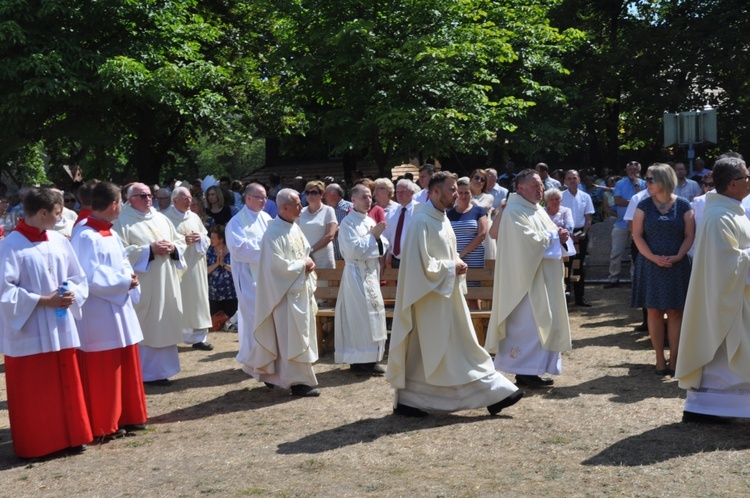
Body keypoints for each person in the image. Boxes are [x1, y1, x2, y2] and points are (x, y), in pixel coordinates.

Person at [385, 171, 523, 417]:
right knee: (452, 350)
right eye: (451, 190)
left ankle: (410, 399)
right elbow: (419, 266)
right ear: (435, 191)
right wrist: (452, 266)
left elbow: (446, 253)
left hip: (447, 296)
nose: (456, 194)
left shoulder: (442, 218)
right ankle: (493, 393)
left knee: (444, 350)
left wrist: (456, 262)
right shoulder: (421, 221)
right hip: (429, 300)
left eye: (457, 190)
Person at [0, 188, 92, 458]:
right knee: (36, 391)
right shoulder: (9, 246)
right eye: (57, 213)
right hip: (29, 330)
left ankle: (73, 435)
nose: (60, 218)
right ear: (42, 213)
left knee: (66, 383)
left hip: (61, 326)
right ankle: (40, 443)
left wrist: (71, 293)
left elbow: (78, 276)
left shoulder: (59, 240)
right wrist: (43, 300)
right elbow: (4, 292)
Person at [71, 182, 148, 439]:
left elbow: (122, 261)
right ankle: (107, 423)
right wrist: (124, 281)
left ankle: (130, 415)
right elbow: (88, 278)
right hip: (99, 312)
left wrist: (130, 276)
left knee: (125, 362)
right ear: (114, 204)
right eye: (121, 203)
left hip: (120, 307)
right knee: (105, 369)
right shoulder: (84, 235)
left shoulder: (111, 233)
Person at [676, 155, 750, 423]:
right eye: (746, 177)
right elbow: (726, 262)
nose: (749, 181)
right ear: (732, 184)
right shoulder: (719, 216)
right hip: (725, 299)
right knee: (720, 352)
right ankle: (706, 407)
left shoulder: (731, 210)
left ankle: (723, 407)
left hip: (737, 296)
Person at [486, 169, 572, 388]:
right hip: (524, 282)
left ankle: (534, 370)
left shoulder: (537, 209)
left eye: (541, 185)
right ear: (521, 188)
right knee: (529, 325)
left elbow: (547, 234)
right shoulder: (514, 211)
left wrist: (559, 233)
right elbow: (526, 241)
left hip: (542, 277)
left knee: (542, 324)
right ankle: (523, 371)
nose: (540, 189)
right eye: (535, 185)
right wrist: (554, 236)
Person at [246, 189, 320, 397]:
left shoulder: (294, 228)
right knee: (290, 339)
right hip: (284, 295)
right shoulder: (273, 234)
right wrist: (302, 264)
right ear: (284, 207)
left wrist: (308, 261)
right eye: (297, 203)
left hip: (299, 291)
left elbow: (304, 252)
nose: (301, 207)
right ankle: (298, 383)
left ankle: (271, 374)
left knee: (293, 338)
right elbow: (277, 268)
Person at [113, 182, 186, 385]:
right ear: (131, 199)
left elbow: (179, 241)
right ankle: (145, 374)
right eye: (142, 196)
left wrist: (173, 247)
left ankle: (164, 370)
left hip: (166, 279)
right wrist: (149, 250)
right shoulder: (122, 222)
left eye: (149, 195)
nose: (148, 199)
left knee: (165, 320)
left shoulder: (162, 218)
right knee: (147, 323)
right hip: (144, 283)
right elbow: (119, 253)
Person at [631, 163, 694, 376]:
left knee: (676, 312)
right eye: (646, 179)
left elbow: (689, 235)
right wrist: (653, 257)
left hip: (677, 266)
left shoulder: (684, 205)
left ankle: (675, 358)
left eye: (650, 179)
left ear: (664, 180)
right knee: (654, 311)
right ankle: (659, 358)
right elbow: (637, 235)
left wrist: (678, 256)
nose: (646, 183)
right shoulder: (643, 205)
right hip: (651, 265)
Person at [334, 185, 390, 374]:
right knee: (359, 318)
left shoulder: (368, 220)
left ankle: (372, 358)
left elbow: (384, 245)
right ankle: (358, 361)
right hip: (356, 276)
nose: (368, 201)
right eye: (364, 197)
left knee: (374, 315)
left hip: (370, 274)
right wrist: (373, 237)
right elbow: (352, 250)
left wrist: (376, 238)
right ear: (354, 199)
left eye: (370, 197)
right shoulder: (348, 223)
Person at [225, 183, 273, 374]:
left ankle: (264, 356)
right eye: (260, 197)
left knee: (266, 317)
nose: (264, 201)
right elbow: (239, 249)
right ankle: (255, 358)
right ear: (248, 198)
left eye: (265, 197)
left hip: (267, 276)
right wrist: (266, 245)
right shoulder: (236, 222)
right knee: (253, 317)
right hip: (248, 277)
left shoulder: (267, 218)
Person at [164, 187, 214, 351]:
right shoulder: (166, 218)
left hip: (196, 266)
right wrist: (183, 240)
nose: (188, 201)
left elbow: (206, 237)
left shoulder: (194, 217)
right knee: (179, 300)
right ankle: (176, 337)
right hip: (178, 267)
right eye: (184, 198)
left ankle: (199, 337)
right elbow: (164, 240)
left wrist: (200, 239)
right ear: (174, 200)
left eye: (190, 198)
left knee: (198, 301)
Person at [605, 161, 646, 288]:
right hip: (621, 223)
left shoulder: (645, 184)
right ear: (626, 170)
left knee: (636, 254)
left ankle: (635, 280)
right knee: (616, 252)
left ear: (639, 171)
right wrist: (634, 202)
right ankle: (613, 279)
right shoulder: (620, 183)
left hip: (639, 225)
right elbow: (618, 201)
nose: (633, 172)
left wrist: (637, 185)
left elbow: (644, 202)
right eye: (630, 169)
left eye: (635, 169)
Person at [561, 170, 595, 306]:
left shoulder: (585, 197)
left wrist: (584, 233)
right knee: (566, 266)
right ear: (565, 181)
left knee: (580, 266)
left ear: (579, 180)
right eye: (569, 179)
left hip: (581, 234)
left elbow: (588, 218)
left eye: (574, 178)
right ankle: (565, 298)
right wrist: (567, 234)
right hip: (564, 234)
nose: (572, 181)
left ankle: (580, 298)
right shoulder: (561, 196)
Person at [447, 177, 487, 285]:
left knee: (474, 296)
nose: (463, 196)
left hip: (474, 259)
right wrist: (456, 256)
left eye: (466, 193)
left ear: (471, 194)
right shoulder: (448, 213)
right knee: (457, 293)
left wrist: (463, 253)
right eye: (460, 193)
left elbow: (482, 234)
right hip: (454, 259)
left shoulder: (479, 211)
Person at [296, 180, 337, 270]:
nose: (310, 195)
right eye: (307, 193)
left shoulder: (329, 210)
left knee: (325, 283)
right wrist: (305, 253)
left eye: (314, 192)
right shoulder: (301, 212)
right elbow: (295, 233)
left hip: (323, 256)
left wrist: (311, 250)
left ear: (322, 195)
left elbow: (330, 235)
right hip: (305, 257)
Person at [383, 179, 419, 269]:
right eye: (397, 192)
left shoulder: (420, 210)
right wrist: (388, 253)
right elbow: (386, 236)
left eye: (402, 192)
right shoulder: (392, 212)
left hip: (415, 260)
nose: (399, 194)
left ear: (411, 193)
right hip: (396, 260)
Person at [206, 224, 238, 319]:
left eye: (213, 238)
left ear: (221, 239)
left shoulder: (232, 252)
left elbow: (237, 270)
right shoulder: (209, 252)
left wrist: (223, 264)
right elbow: (204, 271)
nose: (211, 240)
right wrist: (216, 264)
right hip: (214, 296)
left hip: (231, 295)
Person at [323, 183, 353, 260]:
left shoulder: (350, 208)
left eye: (326, 194)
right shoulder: (325, 210)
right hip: (331, 257)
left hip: (347, 258)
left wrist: (335, 230)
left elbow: (353, 226)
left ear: (334, 194)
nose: (324, 196)